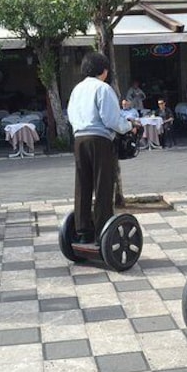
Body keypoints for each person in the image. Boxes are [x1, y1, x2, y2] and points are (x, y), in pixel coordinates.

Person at [67, 52, 135, 244]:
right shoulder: (103, 89)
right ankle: (102, 231)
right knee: (102, 185)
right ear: (104, 71)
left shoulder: (76, 90)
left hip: (79, 138)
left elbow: (71, 115)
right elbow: (111, 120)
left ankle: (82, 230)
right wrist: (129, 125)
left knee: (83, 184)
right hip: (100, 139)